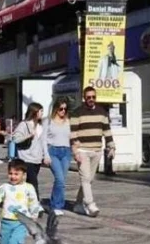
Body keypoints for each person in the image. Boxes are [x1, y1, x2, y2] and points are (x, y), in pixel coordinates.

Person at [69, 86, 115, 218]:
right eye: (88, 97)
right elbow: (73, 133)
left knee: (89, 179)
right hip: (82, 150)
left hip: (97, 150)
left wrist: (111, 146)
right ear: (84, 98)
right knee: (85, 177)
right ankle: (90, 203)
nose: (91, 99)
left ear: (96, 97)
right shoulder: (77, 112)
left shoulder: (102, 112)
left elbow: (107, 131)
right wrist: (75, 151)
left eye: (93, 97)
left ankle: (78, 204)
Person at [42, 99, 72, 215]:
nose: (63, 111)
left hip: (66, 152)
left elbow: (73, 136)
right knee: (59, 178)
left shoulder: (68, 122)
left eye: (65, 109)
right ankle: (56, 206)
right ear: (56, 109)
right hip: (53, 151)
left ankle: (55, 203)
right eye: (61, 109)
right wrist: (46, 155)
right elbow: (43, 139)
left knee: (62, 180)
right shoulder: (48, 122)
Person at [11, 103, 46, 194]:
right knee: (33, 183)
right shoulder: (24, 124)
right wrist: (28, 136)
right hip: (26, 158)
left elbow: (43, 142)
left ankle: (22, 200)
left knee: (27, 183)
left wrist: (45, 155)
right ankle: (35, 204)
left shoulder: (40, 126)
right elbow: (16, 138)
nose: (42, 113)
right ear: (34, 112)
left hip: (37, 159)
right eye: (41, 111)